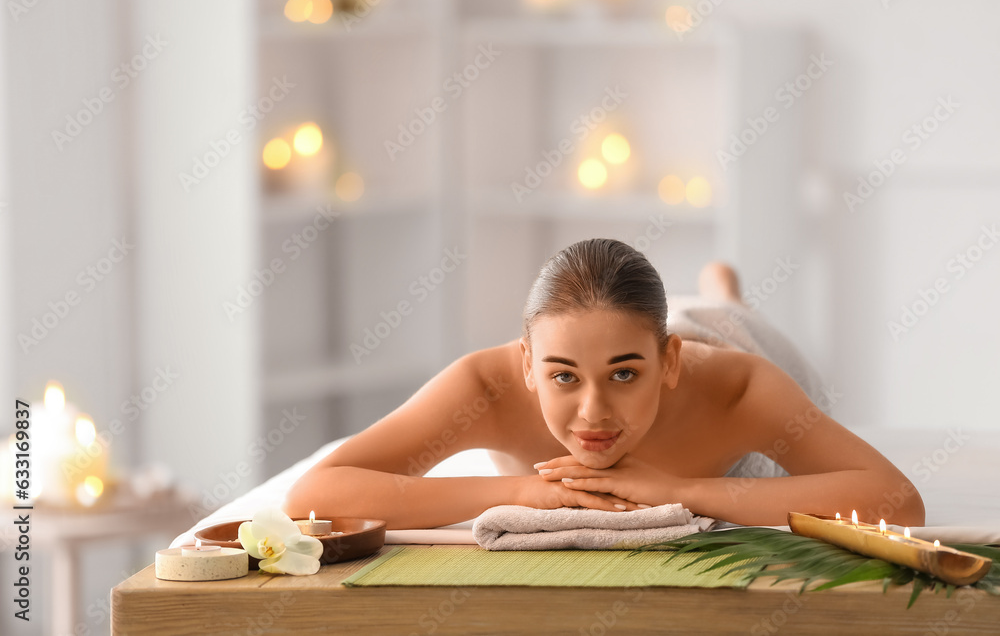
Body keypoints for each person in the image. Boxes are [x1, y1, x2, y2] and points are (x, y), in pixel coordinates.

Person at [284, 238, 925, 529]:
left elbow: (896, 499)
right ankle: (697, 297)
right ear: (528, 363)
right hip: (640, 323)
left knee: (730, 313)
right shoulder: (484, 385)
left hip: (728, 336)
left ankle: (724, 293)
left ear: (668, 364)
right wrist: (521, 492)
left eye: (625, 374)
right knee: (619, 327)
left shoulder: (740, 388)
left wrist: (682, 491)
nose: (593, 412)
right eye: (562, 376)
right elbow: (315, 492)